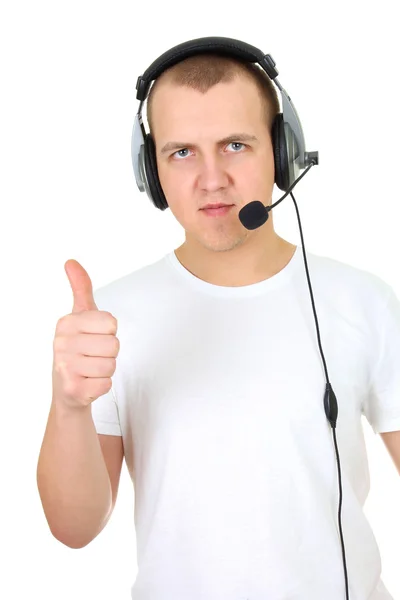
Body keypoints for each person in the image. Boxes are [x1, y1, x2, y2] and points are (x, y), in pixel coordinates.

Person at [37, 46, 400, 600]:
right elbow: (74, 529)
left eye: (236, 145)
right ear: (150, 170)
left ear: (283, 150)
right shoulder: (106, 321)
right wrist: (69, 405)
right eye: (181, 151)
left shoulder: (363, 300)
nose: (212, 179)